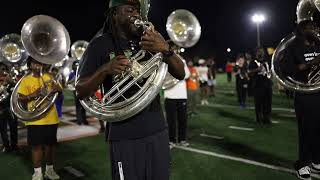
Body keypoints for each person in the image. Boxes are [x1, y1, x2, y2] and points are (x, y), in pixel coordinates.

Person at [75, 1, 185, 180]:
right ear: (114, 15)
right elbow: (80, 90)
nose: (137, 14)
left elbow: (180, 73)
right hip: (124, 135)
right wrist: (105, 69)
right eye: (130, 10)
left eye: (138, 11)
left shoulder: (149, 41)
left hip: (157, 129)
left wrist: (165, 49)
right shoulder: (99, 45)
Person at [282, 20, 320, 180]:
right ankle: (302, 164)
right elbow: (287, 70)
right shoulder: (292, 48)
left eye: (315, 27)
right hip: (304, 93)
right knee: (306, 130)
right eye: (310, 28)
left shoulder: (318, 45)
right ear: (302, 30)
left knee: (318, 128)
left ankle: (316, 160)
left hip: (319, 91)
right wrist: (312, 63)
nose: (314, 30)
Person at [17, 58, 62, 180]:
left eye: (40, 63)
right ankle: (37, 173)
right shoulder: (26, 80)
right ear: (30, 65)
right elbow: (20, 98)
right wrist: (35, 94)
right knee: (36, 146)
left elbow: (59, 93)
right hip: (34, 118)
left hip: (51, 118)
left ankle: (49, 170)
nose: (38, 65)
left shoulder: (49, 77)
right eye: (35, 63)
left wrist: (58, 90)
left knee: (50, 146)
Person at [164, 49, 190, 148]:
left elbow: (187, 75)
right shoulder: (164, 62)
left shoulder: (182, 61)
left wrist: (175, 75)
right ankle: (171, 140)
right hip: (169, 95)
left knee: (182, 119)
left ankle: (182, 139)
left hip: (181, 95)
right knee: (171, 120)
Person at [248, 47, 272, 124]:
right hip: (258, 85)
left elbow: (269, 71)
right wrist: (257, 70)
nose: (262, 53)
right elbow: (249, 72)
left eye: (262, 51)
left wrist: (270, 74)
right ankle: (259, 118)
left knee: (268, 103)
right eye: (260, 51)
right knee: (259, 103)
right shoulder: (253, 62)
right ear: (256, 53)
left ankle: (266, 118)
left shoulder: (267, 61)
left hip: (268, 85)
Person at [0, 62, 18, 153]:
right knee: (2, 129)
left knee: (13, 128)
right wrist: (3, 84)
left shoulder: (10, 80)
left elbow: (18, 90)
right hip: (1, 109)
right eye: (1, 69)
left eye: (4, 69)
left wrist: (12, 82)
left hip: (11, 107)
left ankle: (14, 146)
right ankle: (6, 146)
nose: (3, 71)